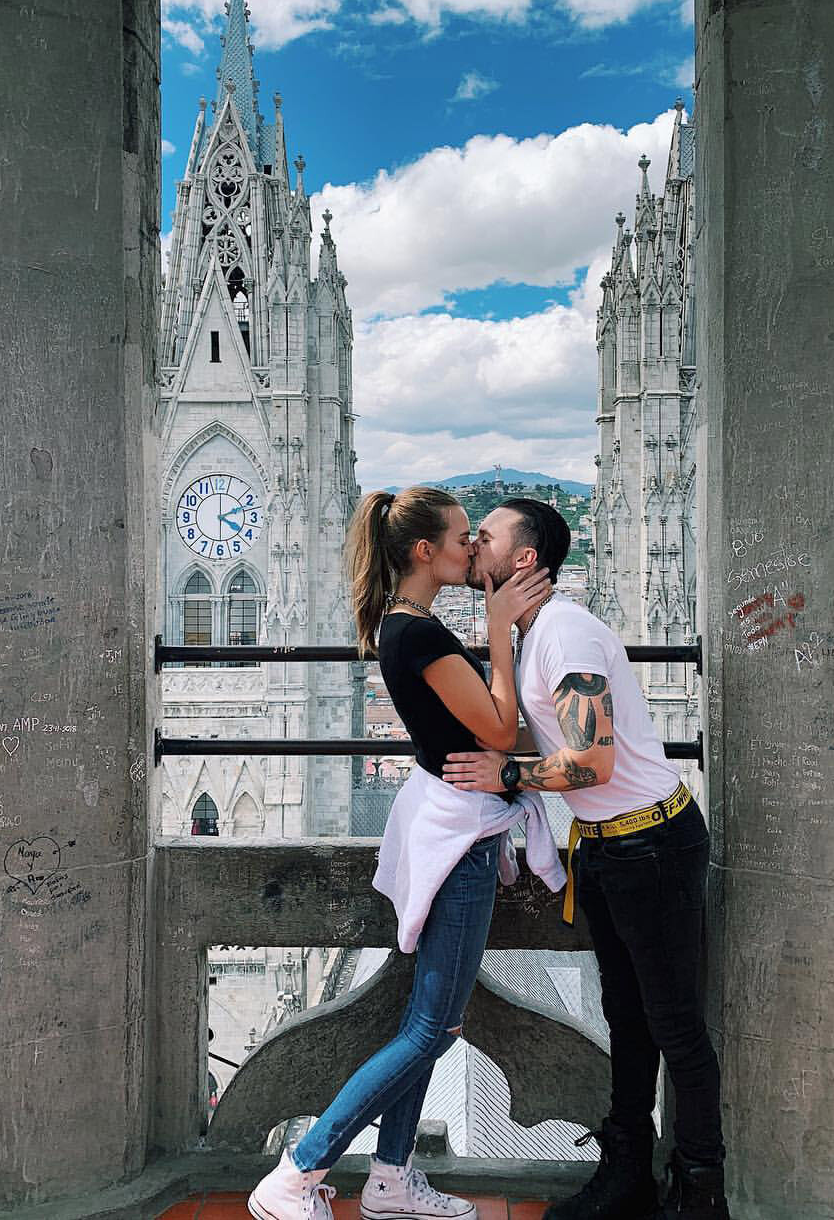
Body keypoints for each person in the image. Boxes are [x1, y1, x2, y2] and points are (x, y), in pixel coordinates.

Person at [247, 486, 561, 1220]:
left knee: (428, 1023)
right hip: (460, 839)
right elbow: (499, 731)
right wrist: (500, 630)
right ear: (424, 551)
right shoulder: (419, 635)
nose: (471, 548)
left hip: (449, 825)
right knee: (432, 1029)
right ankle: (298, 1171)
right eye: (461, 537)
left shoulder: (404, 624)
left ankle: (390, 1179)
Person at [442, 498, 728, 1220]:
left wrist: (506, 775)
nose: (473, 543)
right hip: (608, 846)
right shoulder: (532, 633)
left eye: (486, 536)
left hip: (651, 846)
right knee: (627, 1019)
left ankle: (701, 1194)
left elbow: (591, 761)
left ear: (524, 560)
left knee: (674, 1027)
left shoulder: (564, 633)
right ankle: (627, 1173)